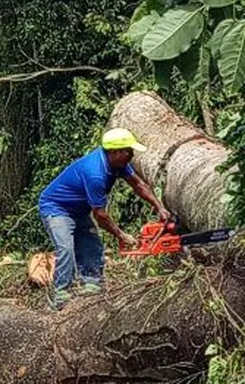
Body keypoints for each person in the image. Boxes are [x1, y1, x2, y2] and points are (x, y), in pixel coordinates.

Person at [38, 127, 171, 310]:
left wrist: (159, 207)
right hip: (57, 208)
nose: (132, 154)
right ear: (115, 152)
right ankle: (61, 295)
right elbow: (100, 215)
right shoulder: (95, 174)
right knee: (66, 248)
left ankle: (92, 286)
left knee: (91, 244)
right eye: (128, 151)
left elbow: (137, 184)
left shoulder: (118, 164)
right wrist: (122, 236)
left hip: (79, 209)